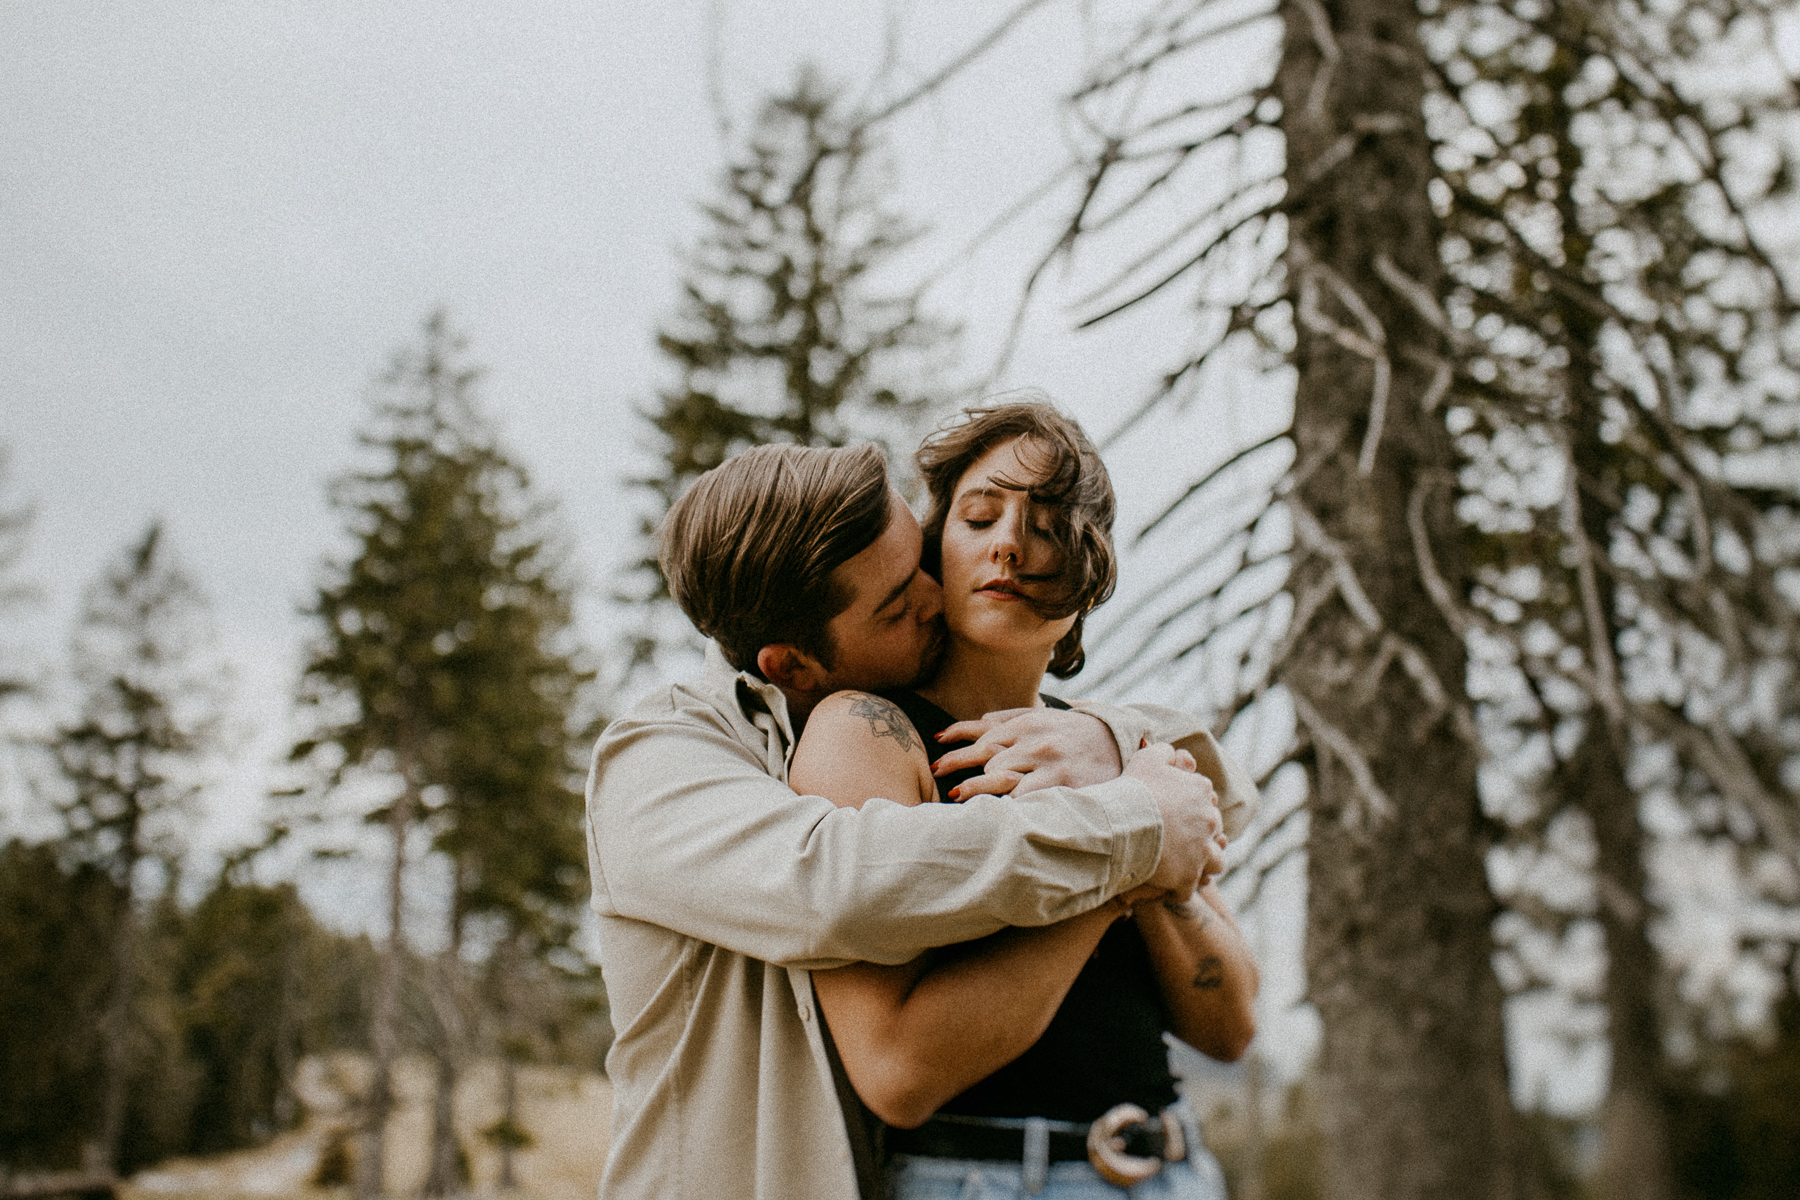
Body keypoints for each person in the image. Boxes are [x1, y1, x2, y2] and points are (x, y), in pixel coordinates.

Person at [586, 440, 1257, 1200]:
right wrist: (1131, 840)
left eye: (924, 563)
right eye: (903, 602)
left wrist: (1112, 749)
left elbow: (1229, 1011)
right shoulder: (666, 760)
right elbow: (841, 885)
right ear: (794, 668)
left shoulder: (1080, 744)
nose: (939, 596)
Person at [789, 402, 1257, 1199]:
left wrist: (1142, 836)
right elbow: (898, 1073)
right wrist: (1124, 855)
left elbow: (1231, 1026)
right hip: (991, 1176)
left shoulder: (1112, 748)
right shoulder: (871, 736)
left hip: (1176, 1169)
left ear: (1092, 570)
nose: (1009, 542)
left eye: (1048, 523)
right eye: (979, 515)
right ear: (935, 544)